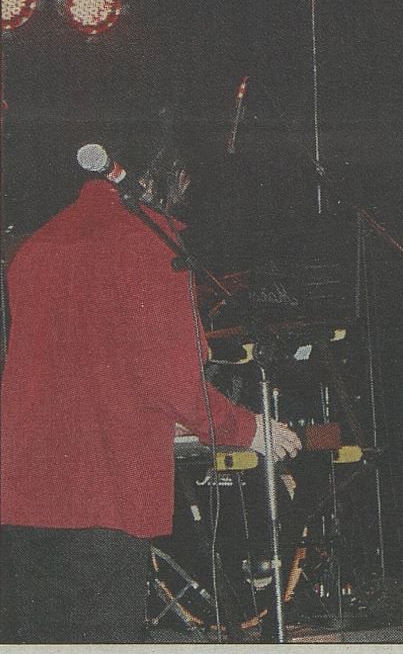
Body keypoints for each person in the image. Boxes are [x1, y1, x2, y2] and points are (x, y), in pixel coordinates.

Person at [0, 148, 302, 643]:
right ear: (163, 177)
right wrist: (247, 428)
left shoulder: (37, 244)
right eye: (183, 182)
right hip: (102, 491)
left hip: (25, 486)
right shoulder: (146, 239)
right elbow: (170, 376)